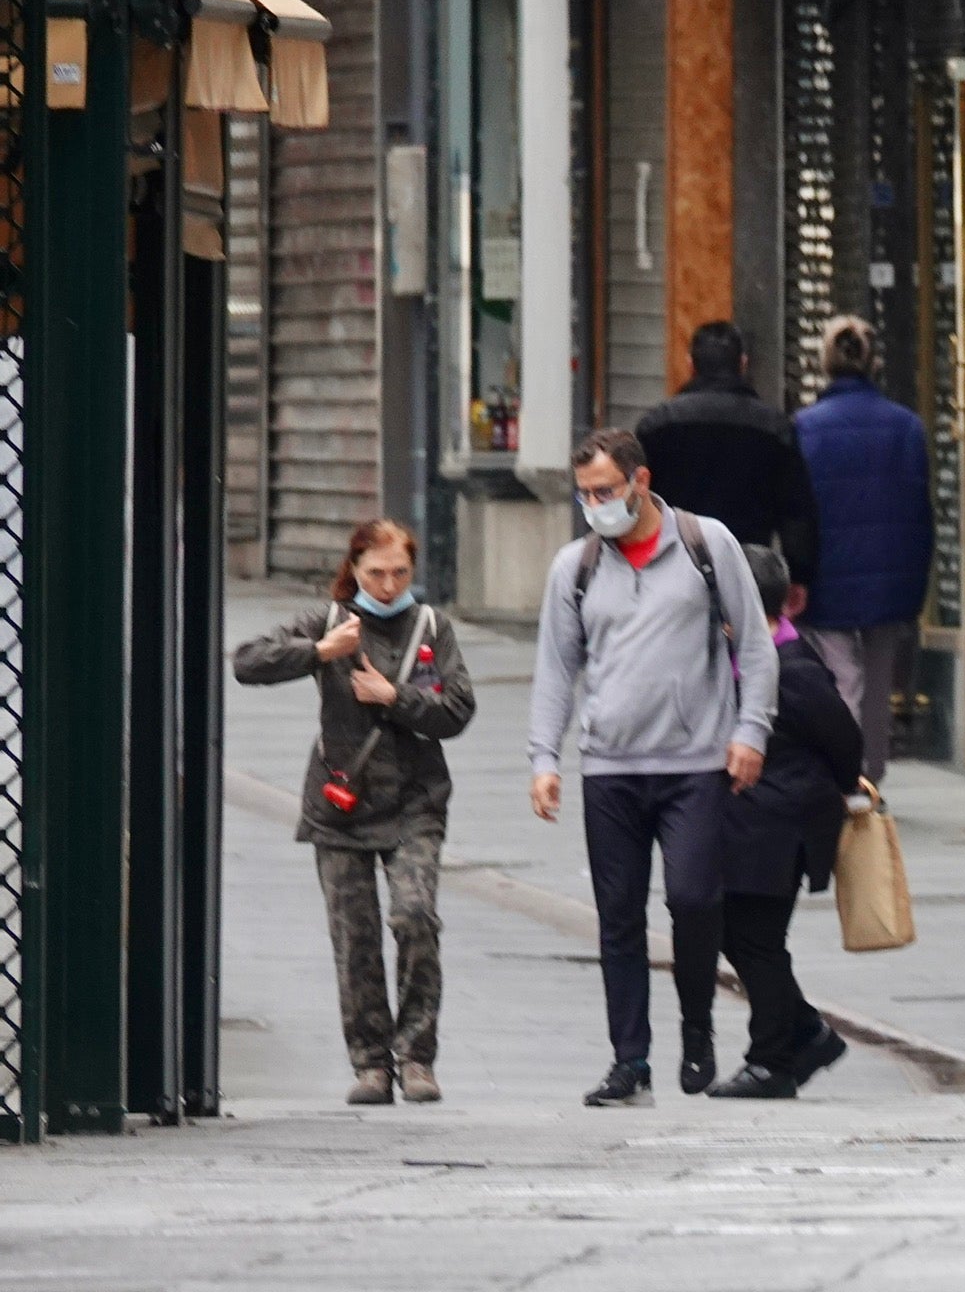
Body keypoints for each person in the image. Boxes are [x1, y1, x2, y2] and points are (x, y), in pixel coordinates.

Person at [528, 428, 778, 1107]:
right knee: (617, 917)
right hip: (610, 765)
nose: (594, 506)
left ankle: (696, 1026)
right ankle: (629, 1059)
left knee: (695, 902)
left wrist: (750, 731)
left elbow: (756, 647)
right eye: (584, 495)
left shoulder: (706, 544)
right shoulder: (574, 568)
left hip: (695, 760)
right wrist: (544, 757)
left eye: (604, 491)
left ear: (641, 480)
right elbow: (557, 668)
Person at [232, 519, 475, 1106]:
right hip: (340, 805)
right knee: (354, 936)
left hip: (416, 800)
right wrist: (318, 652)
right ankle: (371, 1063)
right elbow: (246, 661)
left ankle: (416, 1056)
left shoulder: (431, 627)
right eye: (376, 573)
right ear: (354, 570)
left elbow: (460, 710)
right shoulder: (330, 621)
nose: (389, 584)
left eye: (400, 572)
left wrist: (398, 697)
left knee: (415, 917)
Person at [709, 546, 876, 1100]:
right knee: (741, 936)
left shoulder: (793, 668)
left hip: (778, 828)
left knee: (755, 941)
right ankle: (806, 1032)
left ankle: (773, 1061)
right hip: (749, 826)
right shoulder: (736, 662)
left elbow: (846, 742)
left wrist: (832, 791)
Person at [793, 316, 935, 782]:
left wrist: (797, 573)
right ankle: (871, 774)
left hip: (826, 573)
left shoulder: (804, 429)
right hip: (890, 576)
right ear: (872, 361)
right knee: (877, 681)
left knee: (840, 676)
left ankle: (842, 772)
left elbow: (797, 512)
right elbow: (920, 511)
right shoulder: (907, 427)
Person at [636, 320, 821, 595]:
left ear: (690, 364)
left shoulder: (657, 424)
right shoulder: (774, 427)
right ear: (742, 364)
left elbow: (639, 500)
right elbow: (795, 510)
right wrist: (798, 574)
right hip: (749, 566)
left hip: (676, 565)